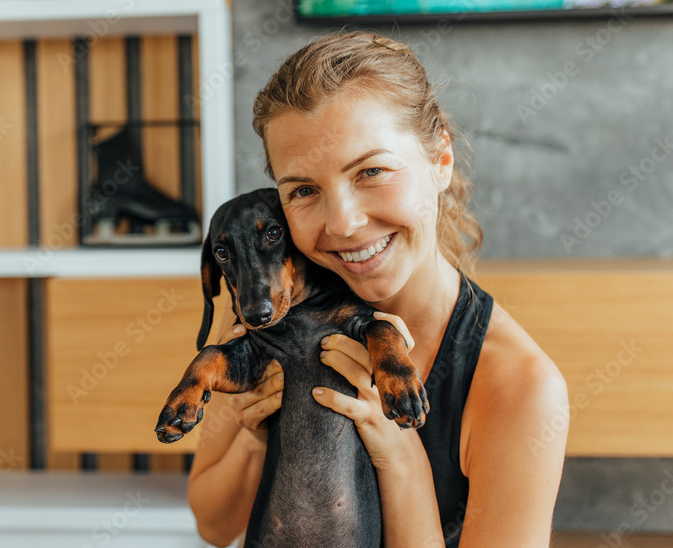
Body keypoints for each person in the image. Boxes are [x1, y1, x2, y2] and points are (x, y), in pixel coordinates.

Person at [186, 31, 569, 547]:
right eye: (303, 190)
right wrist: (256, 437)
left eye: (371, 170)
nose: (343, 223)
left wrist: (399, 455)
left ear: (440, 162)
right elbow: (213, 526)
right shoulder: (267, 320)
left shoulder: (522, 387)